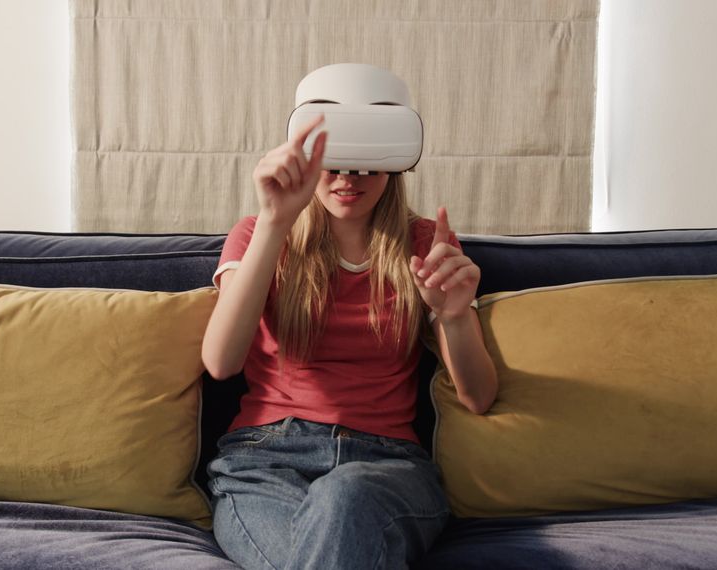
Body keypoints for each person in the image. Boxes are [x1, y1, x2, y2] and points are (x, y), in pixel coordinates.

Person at [202, 109, 498, 569]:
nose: (347, 180)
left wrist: (454, 316)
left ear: (394, 164)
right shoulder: (257, 233)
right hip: (265, 463)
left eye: (365, 165)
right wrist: (275, 221)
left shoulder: (424, 243)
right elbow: (221, 362)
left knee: (344, 497)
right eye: (333, 163)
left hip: (386, 466)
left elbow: (478, 397)